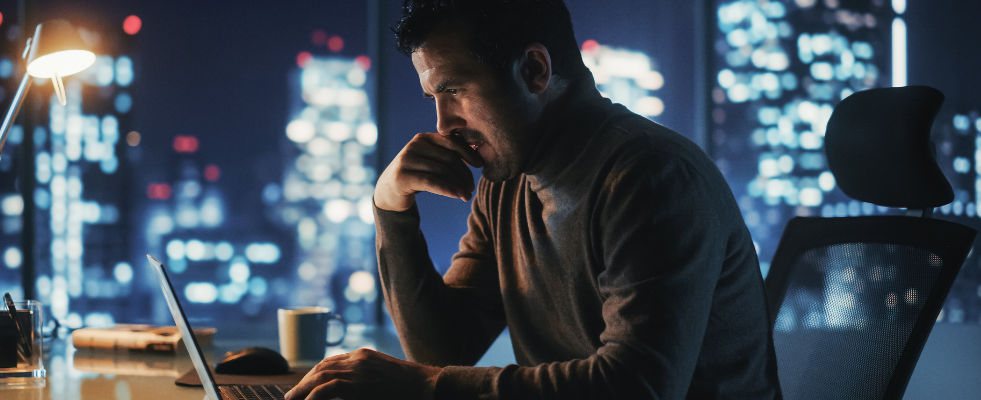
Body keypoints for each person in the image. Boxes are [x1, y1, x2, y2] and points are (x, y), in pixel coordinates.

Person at [285, 0, 781, 399]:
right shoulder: (507, 182)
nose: (442, 124)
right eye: (433, 98)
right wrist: (390, 208)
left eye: (455, 89)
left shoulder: (651, 178)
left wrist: (425, 387)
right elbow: (442, 347)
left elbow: (638, 386)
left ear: (535, 71)